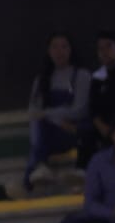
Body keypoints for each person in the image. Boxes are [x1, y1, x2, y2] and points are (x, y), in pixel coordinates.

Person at [24, 33, 91, 191]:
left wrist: (48, 115)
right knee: (37, 122)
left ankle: (31, 175)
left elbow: (80, 109)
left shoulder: (81, 76)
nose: (59, 51)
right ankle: (39, 166)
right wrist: (56, 120)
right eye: (54, 47)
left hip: (72, 132)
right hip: (51, 131)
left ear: (71, 50)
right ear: (48, 51)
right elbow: (34, 111)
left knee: (41, 123)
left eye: (64, 46)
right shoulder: (41, 80)